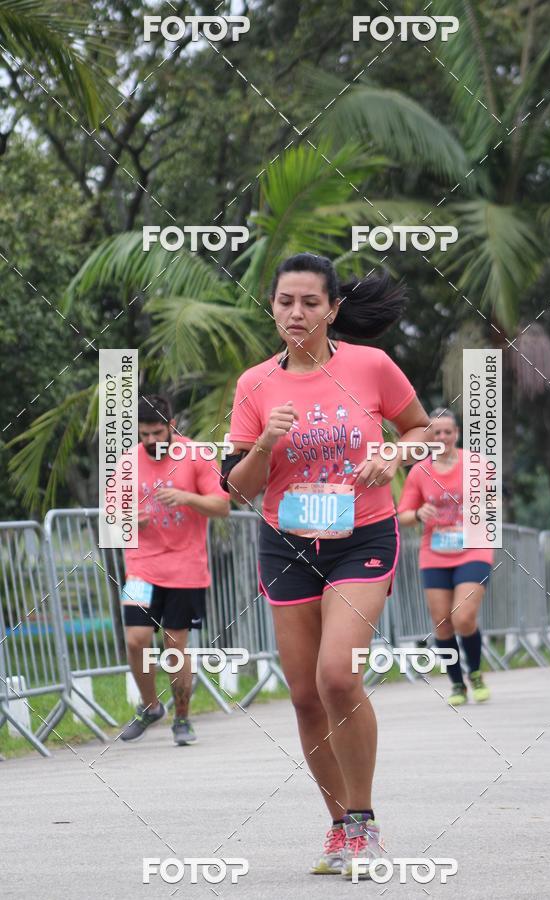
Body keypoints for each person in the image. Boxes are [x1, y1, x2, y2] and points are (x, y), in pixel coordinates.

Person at [221, 253, 430, 878]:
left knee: (338, 674)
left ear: (333, 309)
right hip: (287, 544)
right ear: (273, 306)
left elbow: (422, 430)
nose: (296, 313)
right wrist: (265, 443)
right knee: (306, 694)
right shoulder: (255, 385)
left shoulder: (371, 366)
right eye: (285, 301)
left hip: (360, 536)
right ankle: (338, 827)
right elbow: (238, 488)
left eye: (310, 302)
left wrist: (393, 456)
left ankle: (365, 822)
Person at [119, 394, 230, 745]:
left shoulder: (196, 455)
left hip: (185, 569)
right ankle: (152, 706)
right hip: (141, 568)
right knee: (136, 640)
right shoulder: (126, 463)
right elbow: (112, 518)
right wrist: (128, 520)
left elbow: (222, 506)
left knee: (173, 644)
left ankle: (182, 718)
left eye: (156, 433)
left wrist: (187, 498)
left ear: (171, 427)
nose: (150, 441)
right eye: (144, 435)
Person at [397, 408, 494, 706]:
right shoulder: (419, 472)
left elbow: (493, 502)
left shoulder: (476, 464)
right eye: (436, 433)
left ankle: (475, 673)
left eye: (447, 432)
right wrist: (418, 513)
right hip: (435, 552)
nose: (442, 437)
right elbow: (403, 515)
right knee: (442, 622)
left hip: (473, 550)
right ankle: (456, 685)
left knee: (463, 617)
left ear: (457, 434)